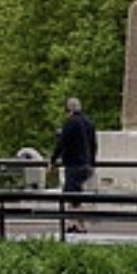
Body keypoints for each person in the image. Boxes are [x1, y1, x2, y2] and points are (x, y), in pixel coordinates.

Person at [50, 96, 99, 232]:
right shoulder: (89, 122)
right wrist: (92, 162)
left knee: (71, 195)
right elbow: (94, 144)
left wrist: (52, 160)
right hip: (87, 164)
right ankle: (76, 224)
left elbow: (62, 143)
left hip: (74, 164)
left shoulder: (71, 123)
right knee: (75, 196)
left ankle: (78, 225)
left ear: (69, 110)